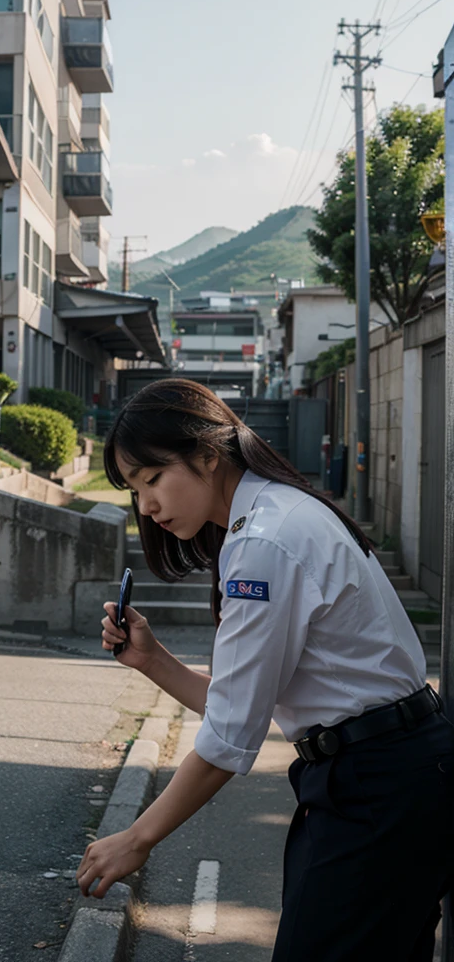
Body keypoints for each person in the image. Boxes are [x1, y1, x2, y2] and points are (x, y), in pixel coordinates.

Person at [75, 378, 454, 962]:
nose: (146, 505)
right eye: (133, 489)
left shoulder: (265, 543)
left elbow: (229, 737)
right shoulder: (273, 517)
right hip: (388, 777)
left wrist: (136, 838)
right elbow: (244, 708)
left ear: (207, 454)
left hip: (376, 788)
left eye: (151, 479)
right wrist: (151, 660)